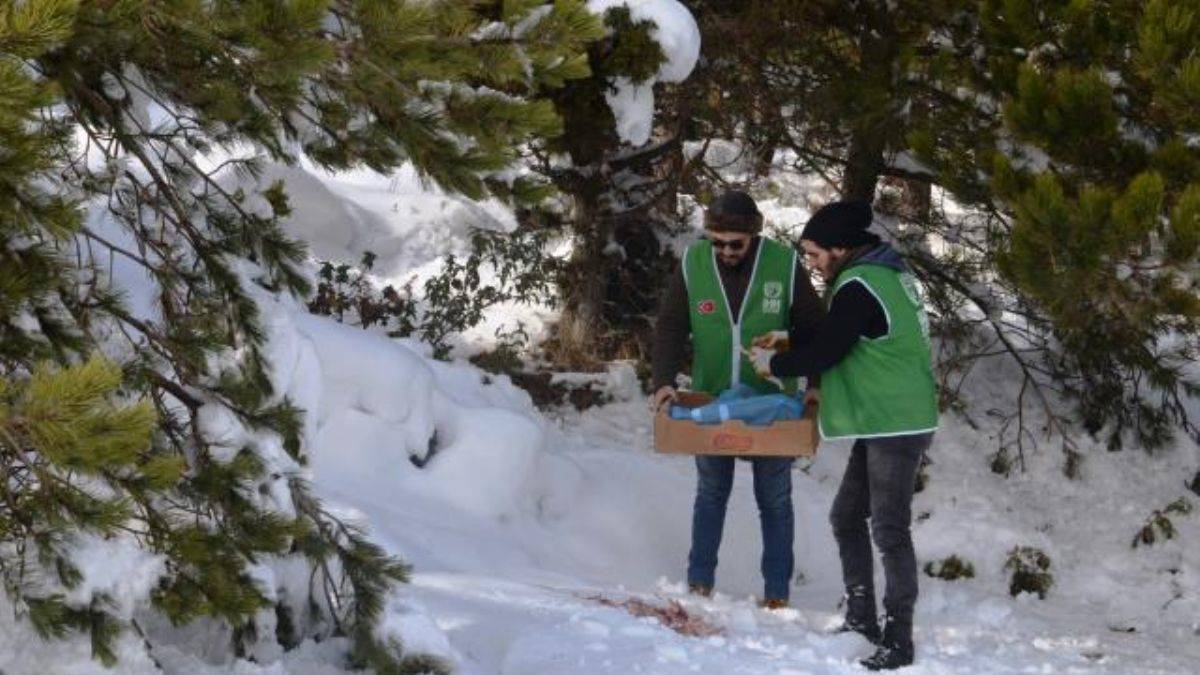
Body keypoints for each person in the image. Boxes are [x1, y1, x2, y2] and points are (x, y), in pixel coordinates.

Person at [749, 200, 938, 670]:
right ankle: (861, 617)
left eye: (814, 254)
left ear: (840, 248)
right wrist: (790, 345)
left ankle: (898, 639)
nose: (811, 264)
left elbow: (831, 349)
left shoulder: (858, 285)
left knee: (889, 529)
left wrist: (775, 364)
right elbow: (849, 336)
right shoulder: (885, 273)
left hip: (895, 421)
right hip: (887, 418)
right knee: (845, 517)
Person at [652, 189, 824, 609]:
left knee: (775, 499)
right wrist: (663, 380)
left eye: (736, 243)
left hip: (771, 403)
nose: (726, 251)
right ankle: (699, 584)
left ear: (754, 235)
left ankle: (777, 594)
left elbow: (814, 327)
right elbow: (671, 324)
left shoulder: (783, 264)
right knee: (711, 492)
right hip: (713, 402)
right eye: (718, 242)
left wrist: (816, 383)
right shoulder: (694, 263)